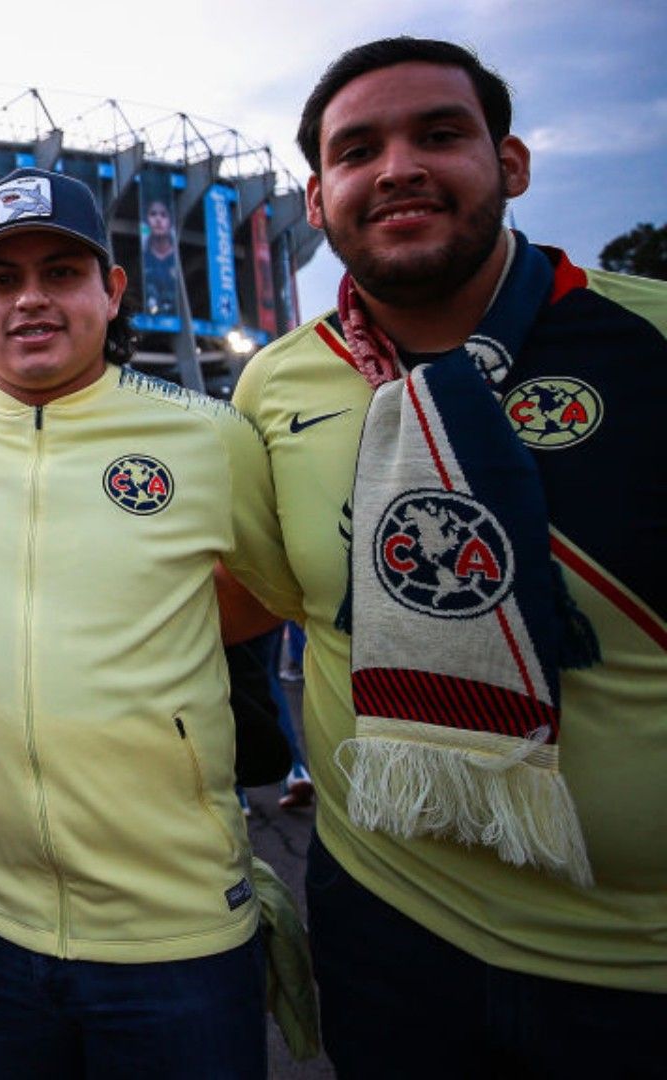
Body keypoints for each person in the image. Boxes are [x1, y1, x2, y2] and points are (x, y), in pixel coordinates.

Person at [233, 37, 667, 1074]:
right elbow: (263, 600)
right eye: (358, 150)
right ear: (316, 198)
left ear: (511, 164)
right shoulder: (279, 386)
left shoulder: (648, 339)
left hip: (638, 967)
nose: (396, 168)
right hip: (390, 931)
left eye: (438, 135)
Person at [0, 167, 300, 1077]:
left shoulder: (210, 440)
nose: (31, 301)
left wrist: (154, 635)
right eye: (0, 280)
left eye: (61, 272)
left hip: (176, 931)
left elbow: (279, 594)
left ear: (113, 289)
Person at [141, 198, 181, 317]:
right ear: (147, 220)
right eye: (153, 214)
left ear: (170, 222)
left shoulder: (178, 257)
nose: (158, 220)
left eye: (163, 215)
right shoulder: (143, 255)